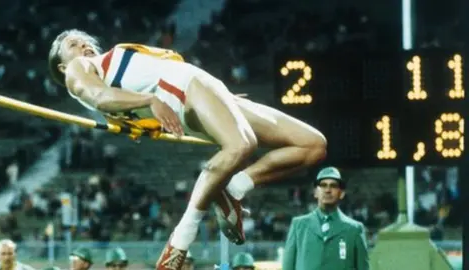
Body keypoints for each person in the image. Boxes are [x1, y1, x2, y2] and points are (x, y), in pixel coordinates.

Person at [48, 29, 327, 269]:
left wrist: (221, 100)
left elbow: (115, 95)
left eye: (84, 41)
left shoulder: (105, 67)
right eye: (73, 45)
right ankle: (181, 238)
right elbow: (99, 96)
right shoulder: (77, 69)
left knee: (313, 145)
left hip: (205, 90)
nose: (83, 45)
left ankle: (234, 188)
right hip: (184, 88)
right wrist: (149, 100)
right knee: (242, 145)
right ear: (62, 66)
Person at [282, 167, 369, 270]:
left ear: (341, 193)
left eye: (333, 186)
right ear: (315, 192)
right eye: (323, 185)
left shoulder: (355, 229)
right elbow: (287, 266)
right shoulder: (298, 225)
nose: (328, 190)